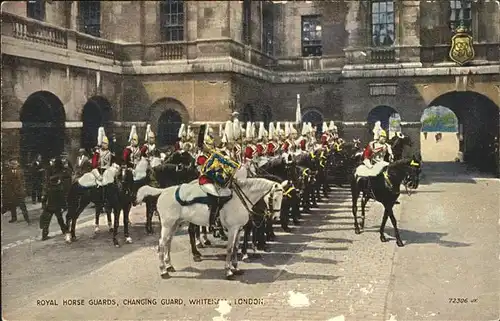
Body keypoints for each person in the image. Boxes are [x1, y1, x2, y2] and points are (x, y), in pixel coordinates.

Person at [197, 124, 239, 232]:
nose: (211, 147)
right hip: (205, 181)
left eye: (212, 145)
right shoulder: (202, 157)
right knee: (216, 196)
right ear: (204, 146)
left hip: (215, 181)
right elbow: (205, 171)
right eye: (209, 145)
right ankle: (212, 222)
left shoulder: (214, 155)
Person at [39, 157, 69, 240]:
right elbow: (62, 198)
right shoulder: (59, 188)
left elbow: (44, 196)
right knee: (60, 219)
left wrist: (44, 204)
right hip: (57, 206)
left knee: (47, 221)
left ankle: (44, 235)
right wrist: (64, 206)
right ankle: (64, 230)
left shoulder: (49, 187)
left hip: (49, 206)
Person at [2, 159, 30, 224]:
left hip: (20, 191)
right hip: (12, 192)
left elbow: (23, 181)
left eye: (15, 164)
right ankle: (14, 218)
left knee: (23, 206)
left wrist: (23, 189)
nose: (14, 165)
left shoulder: (20, 171)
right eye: (13, 164)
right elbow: (6, 182)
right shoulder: (8, 172)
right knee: (12, 206)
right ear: (11, 165)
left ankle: (27, 218)